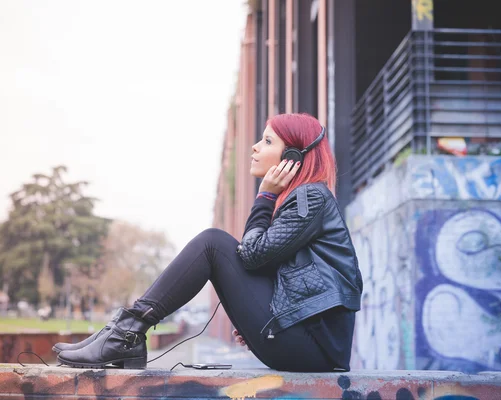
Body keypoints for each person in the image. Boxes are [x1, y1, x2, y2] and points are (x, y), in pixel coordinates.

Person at [53, 113, 363, 372]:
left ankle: (125, 334)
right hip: (310, 344)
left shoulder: (310, 196)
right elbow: (276, 267)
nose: (255, 148)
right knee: (214, 243)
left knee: (213, 243)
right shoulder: (306, 200)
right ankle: (122, 334)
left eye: (268, 141)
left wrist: (265, 196)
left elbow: (252, 256)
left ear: (292, 158)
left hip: (314, 348)